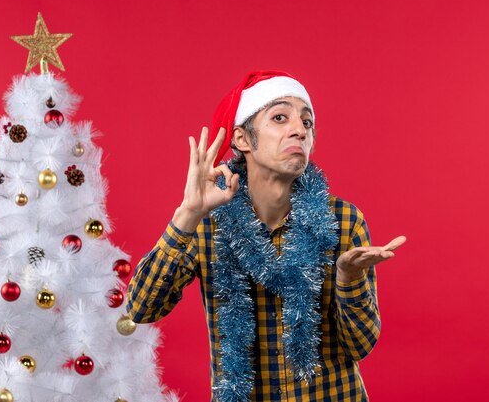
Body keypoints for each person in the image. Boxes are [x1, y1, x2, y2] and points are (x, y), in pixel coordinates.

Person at [126, 70, 406, 402]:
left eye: (307, 122)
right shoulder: (208, 222)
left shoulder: (342, 220)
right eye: (280, 117)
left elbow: (360, 345)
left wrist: (349, 277)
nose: (299, 130)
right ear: (242, 139)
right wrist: (188, 214)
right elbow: (140, 309)